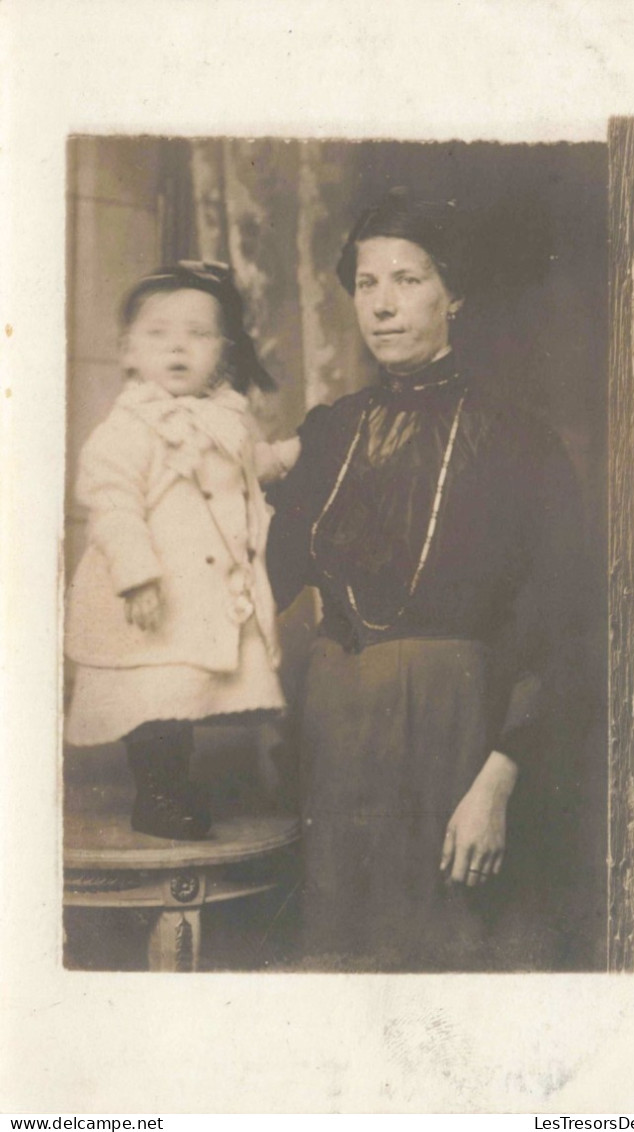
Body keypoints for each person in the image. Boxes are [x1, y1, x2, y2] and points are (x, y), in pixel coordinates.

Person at [267, 191, 584, 970]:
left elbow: (561, 622)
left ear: (455, 294)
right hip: (334, 741)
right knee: (342, 970)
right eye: (367, 284)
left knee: (451, 970)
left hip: (458, 739)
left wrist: (500, 781)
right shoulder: (328, 434)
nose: (382, 305)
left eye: (407, 279)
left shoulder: (518, 438)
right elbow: (265, 581)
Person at [65, 261, 300, 840]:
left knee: (177, 696)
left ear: (222, 351)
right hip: (151, 596)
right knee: (150, 699)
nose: (178, 347)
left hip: (197, 597)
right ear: (128, 352)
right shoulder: (130, 426)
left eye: (198, 334)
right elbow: (112, 501)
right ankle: (158, 796)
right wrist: (137, 576)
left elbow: (252, 466)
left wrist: (299, 451)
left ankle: (173, 787)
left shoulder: (226, 418)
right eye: (158, 334)